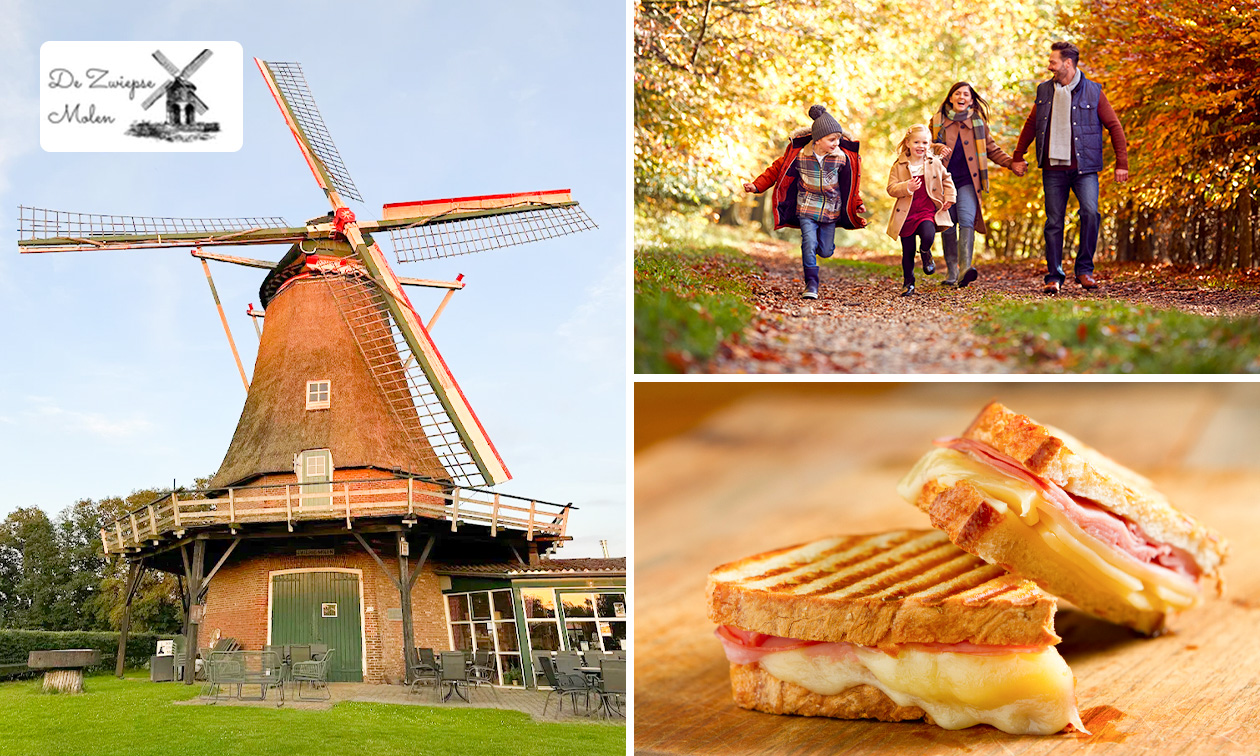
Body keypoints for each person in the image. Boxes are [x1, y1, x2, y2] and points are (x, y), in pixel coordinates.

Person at [1011, 41, 1129, 294]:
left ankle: (1085, 271)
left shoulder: (1094, 91)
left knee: (1090, 213)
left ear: (1068, 63)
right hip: (1053, 169)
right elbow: (1031, 124)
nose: (1049, 66)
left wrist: (1122, 163)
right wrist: (1017, 156)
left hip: (1084, 168)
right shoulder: (1044, 90)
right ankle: (1053, 276)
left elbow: (1115, 126)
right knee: (1054, 221)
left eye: (1053, 61)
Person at [744, 105, 866, 300]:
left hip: (830, 210)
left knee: (825, 251)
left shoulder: (841, 158)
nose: (837, 143)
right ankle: (812, 284)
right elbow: (776, 170)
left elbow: (850, 185)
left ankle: (822, 248)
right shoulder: (800, 155)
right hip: (807, 206)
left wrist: (857, 203)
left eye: (838, 139)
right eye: (832, 139)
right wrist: (756, 186)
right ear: (817, 140)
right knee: (808, 243)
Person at [930, 82, 1021, 287]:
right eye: (957, 93)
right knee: (948, 224)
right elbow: (925, 148)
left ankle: (964, 270)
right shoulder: (937, 121)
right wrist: (936, 147)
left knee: (967, 219)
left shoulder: (978, 123)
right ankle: (952, 271)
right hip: (944, 182)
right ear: (951, 98)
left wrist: (1010, 163)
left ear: (971, 100)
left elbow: (993, 149)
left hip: (968, 182)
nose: (962, 97)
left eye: (966, 94)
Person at [886, 124, 955, 296]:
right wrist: (906, 186)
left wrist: (949, 197)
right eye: (916, 142)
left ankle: (925, 251)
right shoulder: (899, 165)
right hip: (906, 213)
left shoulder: (934, 163)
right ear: (908, 143)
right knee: (907, 251)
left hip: (926, 211)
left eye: (925, 143)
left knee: (928, 235)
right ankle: (908, 283)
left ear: (929, 144)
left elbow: (947, 180)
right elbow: (891, 188)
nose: (921, 146)